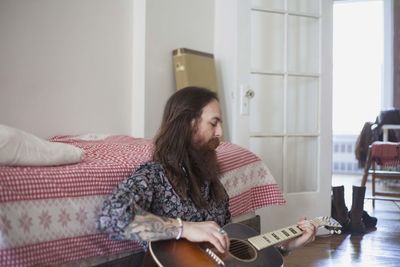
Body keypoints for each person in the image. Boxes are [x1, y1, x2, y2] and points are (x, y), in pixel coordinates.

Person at [97, 87, 317, 257]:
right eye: (213, 123)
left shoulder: (214, 185)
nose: (220, 133)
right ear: (188, 125)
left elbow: (229, 254)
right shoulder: (154, 176)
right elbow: (111, 217)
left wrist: (287, 246)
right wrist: (184, 229)